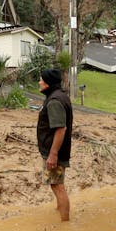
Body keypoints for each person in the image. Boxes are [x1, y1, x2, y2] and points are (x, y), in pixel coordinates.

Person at [37, 68, 73, 221]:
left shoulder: (54, 101)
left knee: (57, 186)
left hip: (55, 151)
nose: (39, 82)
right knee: (55, 183)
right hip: (57, 149)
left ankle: (65, 223)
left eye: (41, 79)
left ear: (48, 83)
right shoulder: (60, 96)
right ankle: (59, 210)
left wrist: (53, 154)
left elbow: (60, 129)